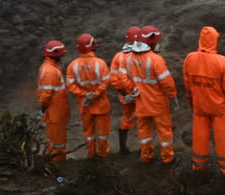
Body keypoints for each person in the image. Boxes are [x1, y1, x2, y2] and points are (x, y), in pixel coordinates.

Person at [183, 26, 225, 175]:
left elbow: (188, 84)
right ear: (214, 40)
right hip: (219, 108)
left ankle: (199, 165)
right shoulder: (221, 61)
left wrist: (191, 102)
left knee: (200, 136)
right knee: (223, 137)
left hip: (199, 106)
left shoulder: (190, 58)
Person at [119, 25, 178, 164]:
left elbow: (122, 77)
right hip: (158, 103)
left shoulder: (128, 59)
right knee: (164, 132)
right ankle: (167, 158)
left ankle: (146, 156)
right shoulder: (156, 60)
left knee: (144, 131)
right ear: (152, 42)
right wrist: (172, 95)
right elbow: (167, 82)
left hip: (140, 103)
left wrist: (133, 89)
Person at [65, 33, 112, 158]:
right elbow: (106, 81)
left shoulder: (72, 66)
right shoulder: (100, 64)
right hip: (101, 105)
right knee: (102, 133)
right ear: (92, 46)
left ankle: (91, 155)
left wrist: (85, 94)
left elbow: (70, 86)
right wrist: (95, 94)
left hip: (85, 106)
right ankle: (103, 154)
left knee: (88, 133)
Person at [37, 40, 71, 162]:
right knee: (58, 142)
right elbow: (46, 95)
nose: (62, 56)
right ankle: (58, 163)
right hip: (55, 113)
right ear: (55, 54)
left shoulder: (48, 68)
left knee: (56, 140)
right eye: (61, 54)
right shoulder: (51, 71)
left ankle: (56, 161)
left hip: (55, 112)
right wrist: (43, 108)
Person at [110, 26, 140, 154]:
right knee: (143, 120)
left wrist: (124, 93)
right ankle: (144, 149)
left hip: (125, 95)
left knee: (127, 118)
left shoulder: (118, 56)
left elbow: (114, 78)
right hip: (140, 95)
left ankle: (123, 148)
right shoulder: (140, 55)